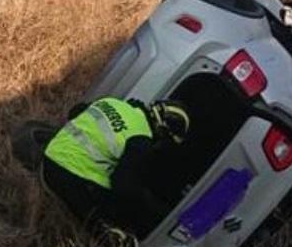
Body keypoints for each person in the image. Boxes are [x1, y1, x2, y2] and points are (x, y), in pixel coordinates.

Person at [42, 96, 190, 237]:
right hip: (70, 176)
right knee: (109, 237)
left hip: (50, 155)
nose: (158, 145)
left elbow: (76, 111)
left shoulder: (113, 102)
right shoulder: (140, 139)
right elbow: (122, 185)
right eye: (164, 140)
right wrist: (149, 205)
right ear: (162, 129)